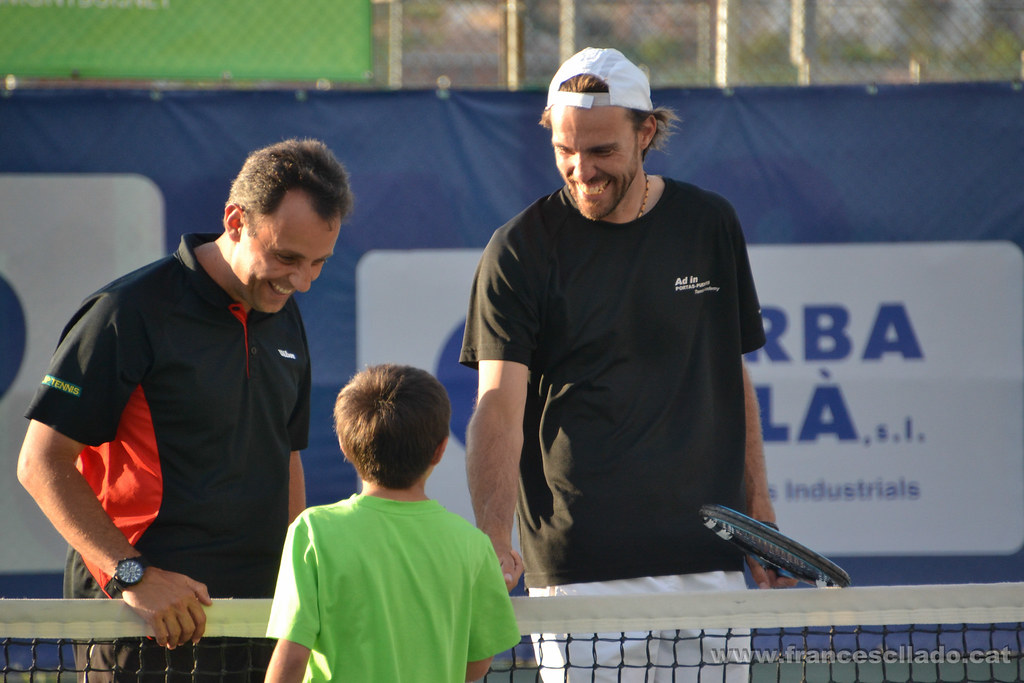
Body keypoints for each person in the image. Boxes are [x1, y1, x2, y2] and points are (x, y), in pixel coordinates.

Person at [459, 48, 793, 682]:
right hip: (582, 571)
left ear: (647, 132)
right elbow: (498, 405)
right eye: (564, 150)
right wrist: (492, 539)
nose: (581, 170)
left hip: (709, 560)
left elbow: (727, 374)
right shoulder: (518, 250)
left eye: (602, 151)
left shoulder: (709, 223)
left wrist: (758, 513)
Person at [16, 138, 353, 681]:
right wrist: (134, 576)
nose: (303, 281)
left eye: (319, 262)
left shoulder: (285, 313)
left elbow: (284, 453)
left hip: (257, 624)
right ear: (236, 221)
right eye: (287, 257)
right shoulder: (127, 311)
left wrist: (295, 580)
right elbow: (40, 463)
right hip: (142, 630)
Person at [264, 364, 522, 683]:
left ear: (344, 446)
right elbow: (476, 664)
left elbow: (291, 659)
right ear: (440, 450)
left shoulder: (313, 531)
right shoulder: (473, 546)